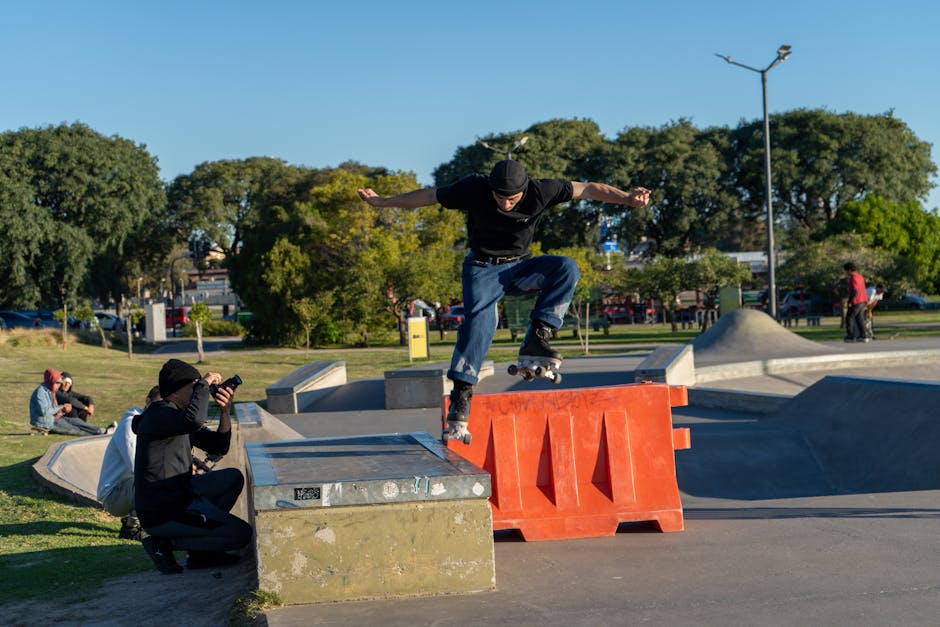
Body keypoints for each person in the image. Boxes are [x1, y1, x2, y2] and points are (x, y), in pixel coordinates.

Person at [357, 159, 650, 437]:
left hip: (522, 268)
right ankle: (461, 393)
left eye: (513, 199)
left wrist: (626, 198)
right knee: (479, 324)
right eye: (500, 197)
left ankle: (538, 336)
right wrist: (382, 201)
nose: (506, 203)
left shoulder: (542, 189)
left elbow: (588, 188)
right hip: (482, 269)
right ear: (492, 188)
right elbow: (429, 196)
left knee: (566, 268)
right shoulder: (474, 187)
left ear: (524, 189)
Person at [133, 358, 252, 574]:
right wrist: (204, 384)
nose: (199, 392)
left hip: (182, 491)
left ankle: (201, 554)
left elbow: (219, 446)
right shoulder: (159, 414)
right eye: (194, 387)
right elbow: (194, 420)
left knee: (232, 478)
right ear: (176, 391)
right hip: (163, 509)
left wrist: (225, 411)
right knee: (241, 534)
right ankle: (164, 543)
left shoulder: (178, 417)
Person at [96, 385, 161, 540]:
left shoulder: (153, 424)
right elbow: (136, 466)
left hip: (128, 488)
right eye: (157, 404)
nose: (160, 410)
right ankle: (131, 527)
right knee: (153, 481)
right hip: (114, 495)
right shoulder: (130, 424)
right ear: (147, 401)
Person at [29, 368, 114, 436]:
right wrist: (61, 408)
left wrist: (62, 411)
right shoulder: (40, 393)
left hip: (55, 418)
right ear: (51, 381)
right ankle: (97, 436)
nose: (60, 385)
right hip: (46, 422)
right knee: (74, 429)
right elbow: (45, 411)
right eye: (57, 383)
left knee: (77, 421)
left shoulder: (50, 390)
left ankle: (103, 431)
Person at [843, 262, 871, 342]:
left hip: (856, 300)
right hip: (863, 300)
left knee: (849, 318)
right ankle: (863, 336)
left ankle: (850, 336)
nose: (846, 273)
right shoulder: (860, 277)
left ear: (849, 270)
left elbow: (854, 291)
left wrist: (850, 301)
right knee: (860, 318)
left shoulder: (853, 278)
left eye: (846, 271)